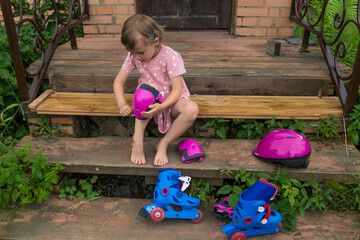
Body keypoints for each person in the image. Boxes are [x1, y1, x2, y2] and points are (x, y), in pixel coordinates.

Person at [113, 14, 199, 166]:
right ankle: (137, 140)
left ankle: (163, 143)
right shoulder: (134, 56)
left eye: (139, 52)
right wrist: (122, 105)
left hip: (172, 101)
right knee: (147, 91)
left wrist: (163, 106)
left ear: (155, 41)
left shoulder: (170, 56)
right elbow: (118, 81)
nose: (136, 57)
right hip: (148, 101)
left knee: (192, 109)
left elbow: (177, 90)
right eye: (132, 52)